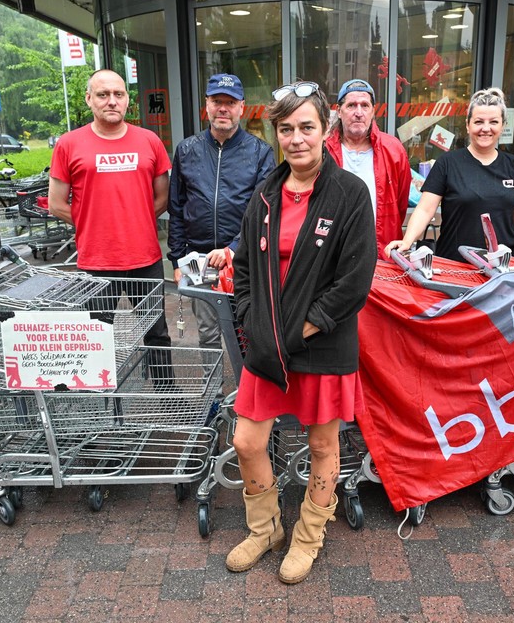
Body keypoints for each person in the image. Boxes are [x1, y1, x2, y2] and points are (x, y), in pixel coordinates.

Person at [226, 81, 377, 584]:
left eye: (306, 127)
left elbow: (354, 281)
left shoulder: (349, 193)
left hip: (324, 343)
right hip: (270, 343)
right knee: (247, 441)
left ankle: (308, 535)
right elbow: (244, 266)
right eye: (286, 129)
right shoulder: (266, 193)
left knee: (321, 447)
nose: (296, 139)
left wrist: (303, 327)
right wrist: (252, 318)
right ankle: (265, 528)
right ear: (276, 134)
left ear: (326, 129)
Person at [47, 69, 173, 380]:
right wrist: (96, 224)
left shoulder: (150, 141)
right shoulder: (68, 144)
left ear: (127, 100)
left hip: (145, 258)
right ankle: (103, 402)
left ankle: (166, 393)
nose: (111, 101)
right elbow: (56, 203)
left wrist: (133, 221)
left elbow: (162, 198)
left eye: (118, 94)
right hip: (97, 261)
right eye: (103, 95)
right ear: (89, 99)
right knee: (96, 337)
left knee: (157, 333)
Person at [168, 73, 275, 350]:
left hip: (244, 259)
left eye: (230, 102)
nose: (223, 108)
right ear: (207, 105)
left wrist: (234, 247)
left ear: (242, 107)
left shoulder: (260, 152)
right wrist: (178, 259)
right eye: (217, 101)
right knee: (208, 333)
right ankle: (213, 392)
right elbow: (177, 208)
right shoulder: (186, 150)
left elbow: (264, 211)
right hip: (199, 259)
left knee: (247, 331)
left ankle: (248, 392)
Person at [385, 87, 514, 261]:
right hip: (455, 264)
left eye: (494, 122)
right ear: (468, 125)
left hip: (504, 265)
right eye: (479, 122)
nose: (486, 128)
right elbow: (425, 210)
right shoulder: (448, 163)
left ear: (503, 125)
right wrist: (407, 241)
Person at [325, 79, 412, 251]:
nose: (358, 112)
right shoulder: (323, 150)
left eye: (365, 105)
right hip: (332, 253)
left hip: (381, 251)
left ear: (373, 112)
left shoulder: (393, 150)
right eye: (351, 105)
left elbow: (400, 205)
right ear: (339, 111)